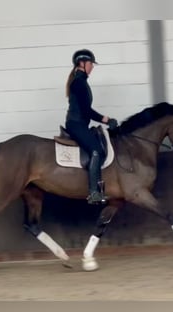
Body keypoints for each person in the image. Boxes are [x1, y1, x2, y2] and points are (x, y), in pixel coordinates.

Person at [64, 49, 118, 205]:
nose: (92, 67)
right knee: (96, 151)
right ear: (82, 63)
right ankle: (94, 192)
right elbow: (86, 110)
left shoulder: (80, 81)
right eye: (91, 64)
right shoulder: (79, 83)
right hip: (76, 124)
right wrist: (106, 119)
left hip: (79, 123)